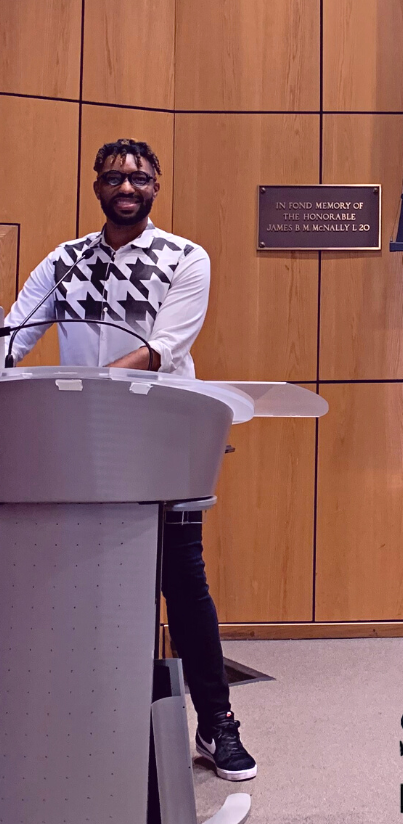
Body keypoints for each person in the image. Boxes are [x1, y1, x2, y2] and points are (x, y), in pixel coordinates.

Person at [3, 138, 257, 782]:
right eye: (114, 177)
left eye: (139, 178)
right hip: (77, 450)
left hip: (161, 444)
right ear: (96, 185)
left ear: (155, 188)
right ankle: (84, 728)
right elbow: (15, 335)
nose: (126, 186)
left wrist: (92, 387)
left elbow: (163, 347)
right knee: (80, 587)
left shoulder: (185, 257)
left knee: (183, 586)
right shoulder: (65, 262)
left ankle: (218, 725)